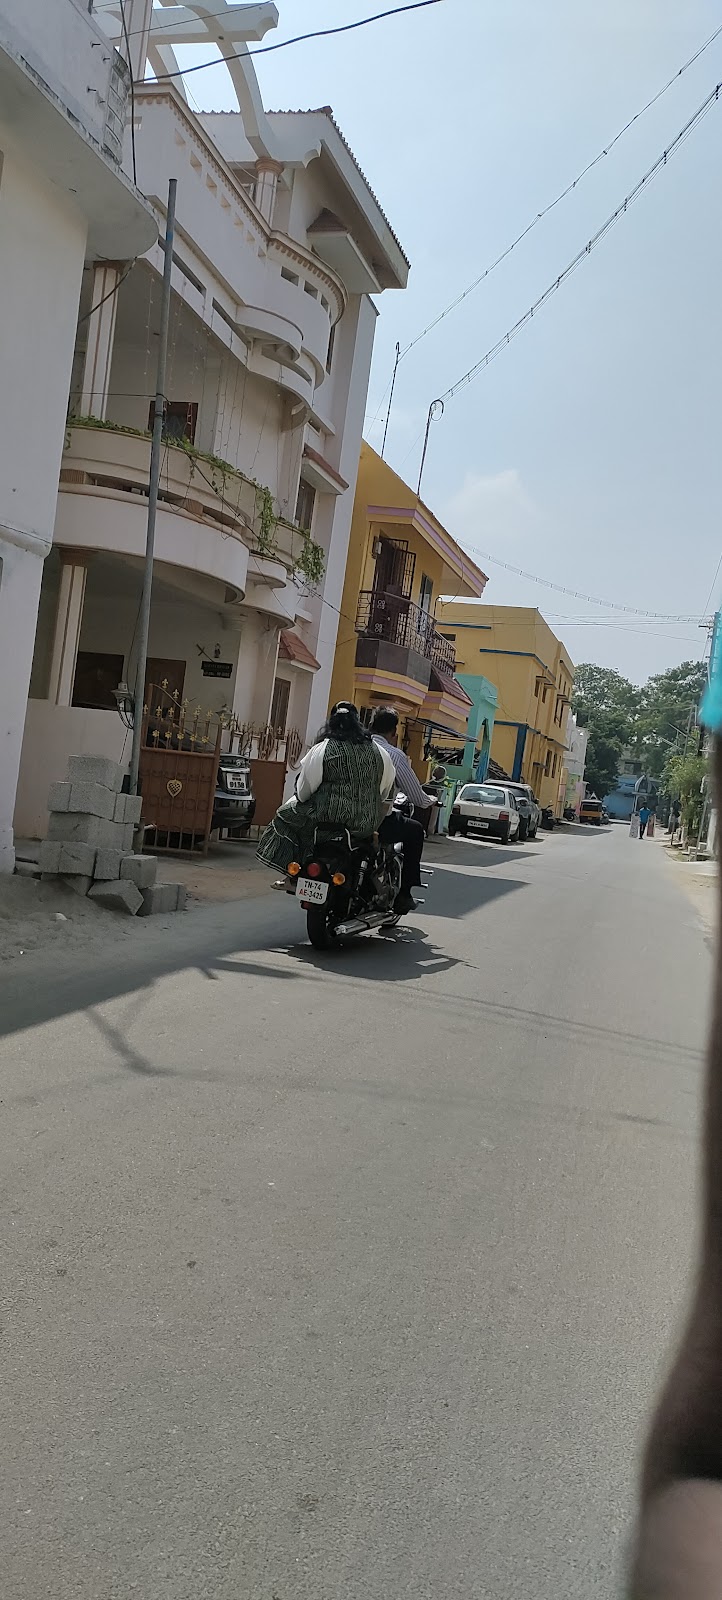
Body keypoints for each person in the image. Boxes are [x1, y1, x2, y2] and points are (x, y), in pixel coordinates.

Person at [257, 701, 395, 881]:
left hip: (324, 822)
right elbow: (384, 792)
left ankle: (293, 874)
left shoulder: (323, 748)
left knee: (283, 816)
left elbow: (303, 792)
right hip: (364, 825)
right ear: (358, 722)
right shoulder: (380, 753)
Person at [369, 707, 428, 913]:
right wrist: (429, 801)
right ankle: (405, 894)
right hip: (377, 821)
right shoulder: (394, 755)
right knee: (415, 830)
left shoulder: (355, 748)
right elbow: (417, 797)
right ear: (394, 732)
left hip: (343, 816)